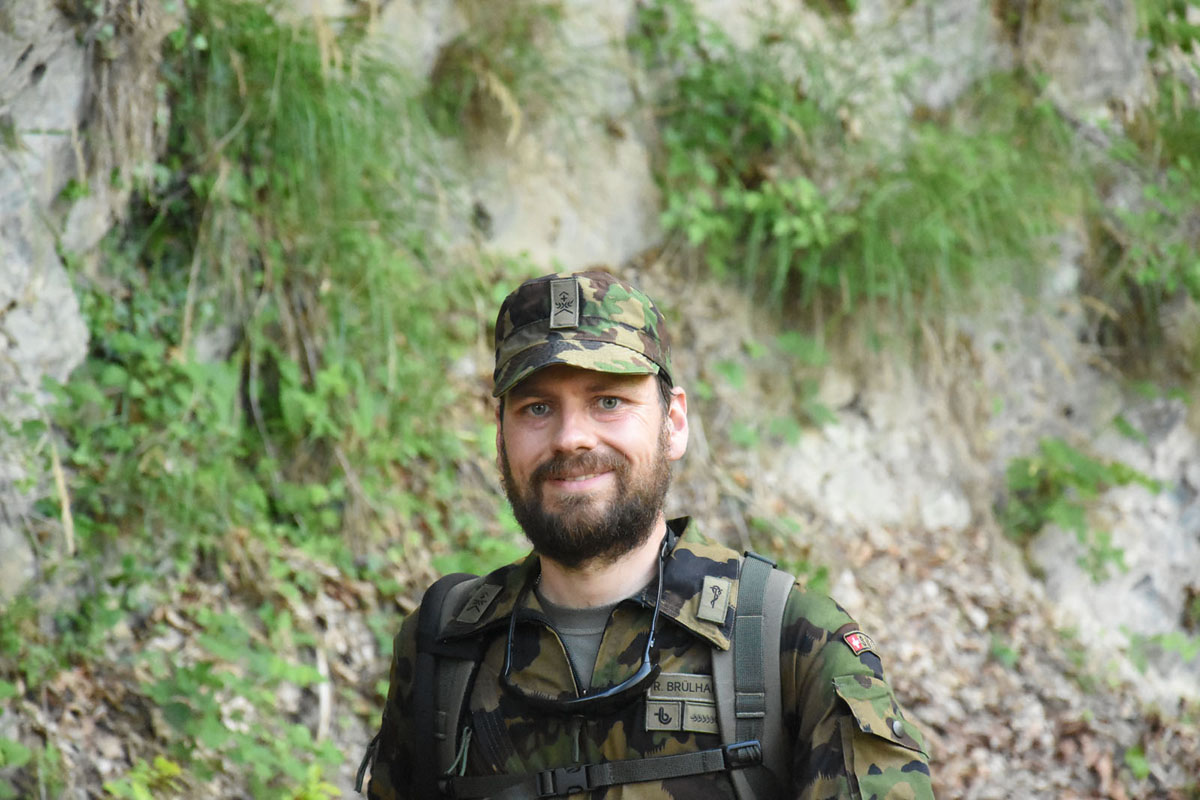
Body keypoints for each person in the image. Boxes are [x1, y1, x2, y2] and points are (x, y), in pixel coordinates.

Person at [362, 269, 934, 799]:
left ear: (674, 423)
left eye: (608, 401)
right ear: (500, 436)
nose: (570, 437)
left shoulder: (790, 642)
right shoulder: (444, 650)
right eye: (536, 408)